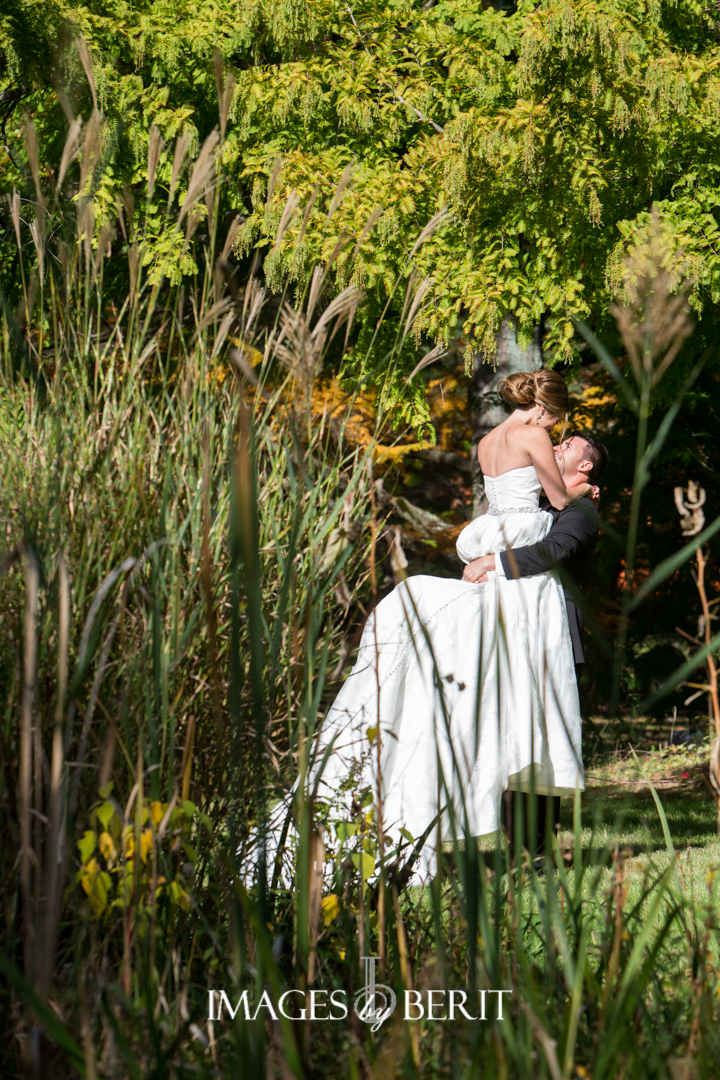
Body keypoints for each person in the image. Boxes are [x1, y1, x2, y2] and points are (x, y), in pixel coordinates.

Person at [311, 370, 598, 876]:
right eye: (557, 423)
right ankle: (523, 831)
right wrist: (585, 492)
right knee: (521, 690)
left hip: (495, 542)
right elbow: (556, 503)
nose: (555, 434)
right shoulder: (532, 435)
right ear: (543, 411)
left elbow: (503, 502)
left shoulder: (489, 440)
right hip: (520, 583)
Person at [462, 432, 609, 857]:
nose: (556, 448)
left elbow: (554, 549)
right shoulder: (542, 505)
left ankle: (537, 849)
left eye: (567, 447)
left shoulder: (582, 510)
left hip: (553, 637)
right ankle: (520, 846)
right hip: (517, 631)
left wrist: (494, 561)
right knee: (513, 733)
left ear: (586, 467)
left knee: (541, 741)